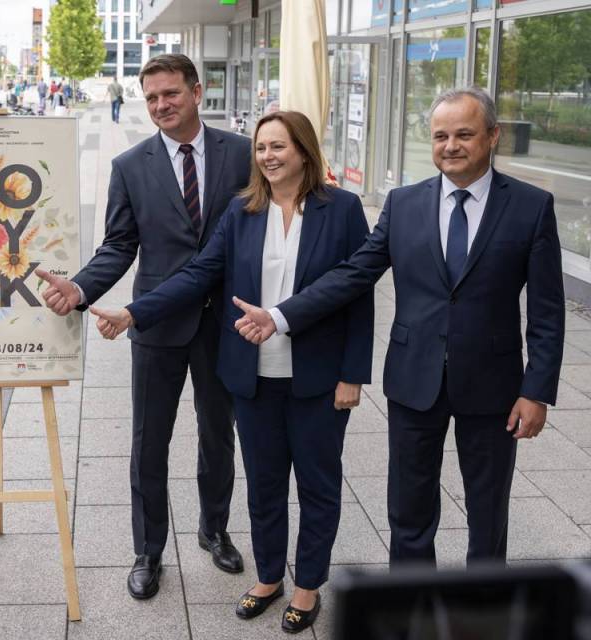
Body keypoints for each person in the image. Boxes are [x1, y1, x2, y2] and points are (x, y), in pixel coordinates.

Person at [234, 87, 566, 567]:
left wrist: (536, 391)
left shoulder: (531, 206)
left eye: (464, 134)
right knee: (409, 508)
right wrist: (280, 316)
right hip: (413, 379)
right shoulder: (404, 203)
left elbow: (548, 311)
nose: (450, 146)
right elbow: (354, 274)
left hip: (493, 383)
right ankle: (410, 597)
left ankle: (483, 598)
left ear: (493, 136)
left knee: (488, 507)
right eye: (440, 136)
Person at [90, 111, 373, 633]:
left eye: (278, 146)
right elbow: (199, 273)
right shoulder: (243, 211)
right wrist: (133, 313)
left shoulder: (342, 209)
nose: (267, 156)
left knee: (318, 485)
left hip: (318, 375)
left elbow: (358, 292)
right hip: (253, 376)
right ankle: (269, 578)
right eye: (261, 148)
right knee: (263, 484)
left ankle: (308, 586)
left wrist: (353, 373)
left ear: (303, 150)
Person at [34, 54, 252, 600]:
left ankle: (214, 529)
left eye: (170, 93)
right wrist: (80, 288)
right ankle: (148, 549)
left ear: (196, 92)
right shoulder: (131, 166)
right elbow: (119, 244)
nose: (160, 105)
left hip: (224, 322)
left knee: (218, 434)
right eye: (151, 97)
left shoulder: (242, 153)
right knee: (149, 441)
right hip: (157, 321)